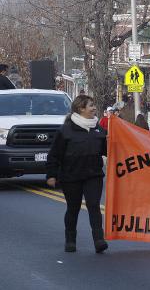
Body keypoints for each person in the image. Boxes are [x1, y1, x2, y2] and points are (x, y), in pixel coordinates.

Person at [46, 95, 108, 253]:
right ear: (81, 108)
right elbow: (54, 154)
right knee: (73, 208)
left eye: (94, 106)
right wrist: (51, 175)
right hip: (71, 176)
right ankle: (70, 239)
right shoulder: (66, 130)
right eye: (91, 106)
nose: (94, 108)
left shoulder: (99, 129)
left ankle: (99, 239)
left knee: (94, 206)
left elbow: (107, 151)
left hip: (93, 175)